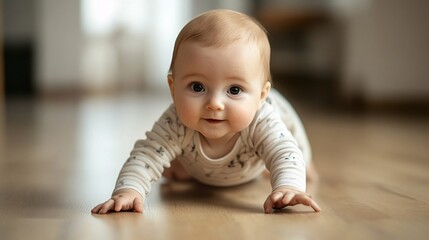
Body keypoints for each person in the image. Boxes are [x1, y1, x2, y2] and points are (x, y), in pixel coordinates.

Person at [92, 9, 321, 214]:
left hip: (266, 148)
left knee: (295, 156)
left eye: (234, 89)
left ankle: (303, 164)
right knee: (168, 157)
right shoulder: (176, 123)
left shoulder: (262, 119)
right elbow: (146, 155)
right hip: (203, 168)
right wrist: (129, 191)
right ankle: (187, 165)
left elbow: (283, 151)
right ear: (173, 88)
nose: (214, 103)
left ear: (261, 96)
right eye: (197, 87)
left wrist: (288, 186)